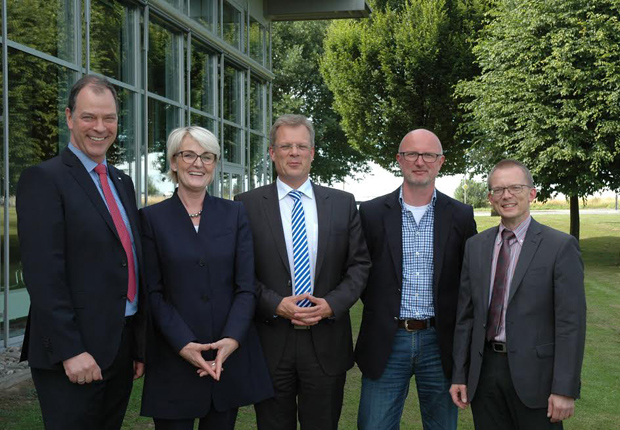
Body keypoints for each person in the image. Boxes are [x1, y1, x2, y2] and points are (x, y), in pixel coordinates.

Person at [16, 74, 146, 429]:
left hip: (118, 346)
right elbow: (44, 275)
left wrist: (136, 346)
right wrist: (71, 350)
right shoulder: (44, 179)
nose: (100, 127)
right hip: (73, 353)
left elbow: (126, 261)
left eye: (109, 118)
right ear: (69, 118)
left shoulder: (122, 182)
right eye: (89, 117)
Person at [235, 114, 370, 430]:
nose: (293, 152)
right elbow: (239, 271)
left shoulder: (343, 203)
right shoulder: (245, 205)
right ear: (272, 152)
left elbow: (359, 265)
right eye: (285, 146)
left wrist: (332, 305)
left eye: (301, 146)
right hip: (271, 342)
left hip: (326, 343)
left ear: (312, 152)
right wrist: (275, 303)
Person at [139, 126, 273, 429]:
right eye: (188, 155)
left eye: (207, 157)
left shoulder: (235, 214)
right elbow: (153, 292)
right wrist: (183, 343)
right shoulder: (150, 219)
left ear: (214, 165)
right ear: (173, 162)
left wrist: (231, 340)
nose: (198, 163)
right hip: (173, 359)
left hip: (225, 361)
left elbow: (246, 286)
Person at [450, 159, 586, 429]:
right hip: (484, 374)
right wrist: (459, 374)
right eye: (498, 190)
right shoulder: (475, 246)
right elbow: (466, 317)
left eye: (515, 187)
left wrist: (564, 388)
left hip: (537, 379)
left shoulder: (560, 247)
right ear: (490, 198)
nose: (506, 195)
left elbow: (571, 324)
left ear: (532, 193)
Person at [355, 129, 477, 430]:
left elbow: (469, 280)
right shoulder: (370, 213)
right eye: (412, 154)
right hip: (387, 338)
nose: (420, 161)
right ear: (399, 159)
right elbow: (358, 272)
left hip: (440, 342)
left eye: (429, 155)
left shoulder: (461, 215)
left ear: (440, 162)